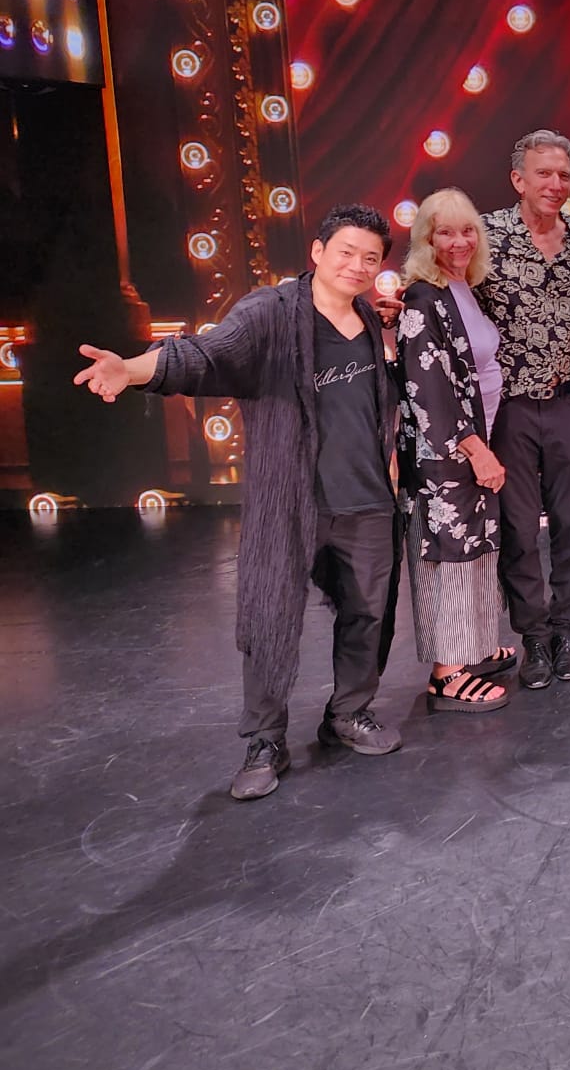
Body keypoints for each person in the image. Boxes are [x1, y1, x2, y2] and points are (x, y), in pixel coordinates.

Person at [73, 206, 403, 800]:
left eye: (370, 258)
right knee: (272, 615)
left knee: (367, 616)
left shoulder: (369, 321)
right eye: (346, 252)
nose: (357, 266)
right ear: (319, 251)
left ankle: (348, 713)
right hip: (290, 500)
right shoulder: (270, 315)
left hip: (367, 501)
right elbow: (203, 355)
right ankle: (265, 740)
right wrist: (133, 370)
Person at [479, 131, 570, 692]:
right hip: (506, 410)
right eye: (544, 174)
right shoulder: (487, 236)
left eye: (563, 175)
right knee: (516, 529)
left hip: (566, 403)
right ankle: (531, 637)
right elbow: (445, 295)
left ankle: (568, 633)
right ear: (518, 179)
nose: (555, 185)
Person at [396, 189, 511, 714]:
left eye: (468, 230)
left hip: (476, 440)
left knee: (477, 550)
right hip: (448, 453)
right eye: (446, 232)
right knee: (449, 555)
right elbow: (428, 387)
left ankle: (474, 648)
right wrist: (474, 449)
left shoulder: (462, 286)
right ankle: (447, 673)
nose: (460, 241)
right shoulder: (424, 296)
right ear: (426, 239)